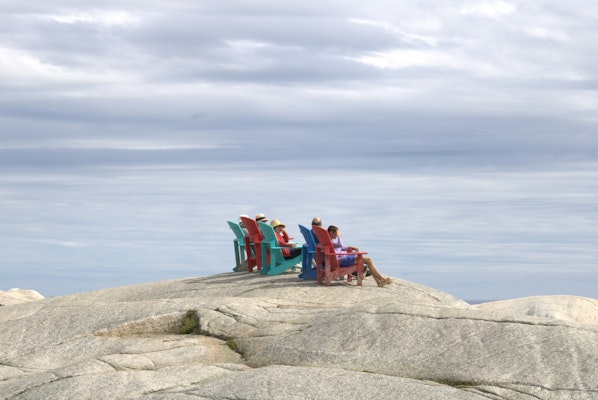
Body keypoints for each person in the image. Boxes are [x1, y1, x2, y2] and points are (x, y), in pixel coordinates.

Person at [327, 225, 394, 287]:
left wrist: (348, 247)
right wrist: (339, 237)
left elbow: (339, 248)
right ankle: (381, 279)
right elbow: (340, 245)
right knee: (369, 260)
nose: (337, 236)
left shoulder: (330, 241)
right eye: (336, 233)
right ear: (331, 232)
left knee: (368, 260)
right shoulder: (329, 242)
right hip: (343, 260)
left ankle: (379, 281)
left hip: (344, 257)